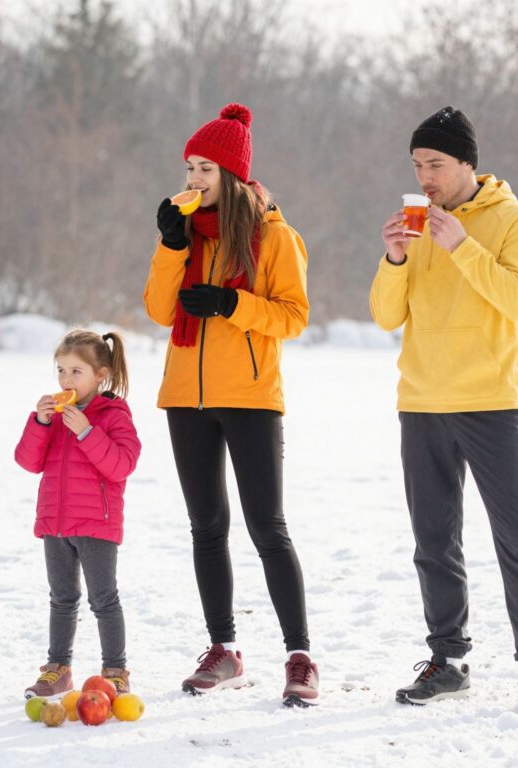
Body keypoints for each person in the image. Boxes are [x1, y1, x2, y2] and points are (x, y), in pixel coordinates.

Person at [370, 106, 518, 715]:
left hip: (491, 403)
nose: (425, 176)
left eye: (436, 164)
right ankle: (447, 660)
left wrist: (463, 246)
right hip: (421, 402)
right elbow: (386, 316)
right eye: (418, 164)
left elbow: (517, 299)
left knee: (517, 540)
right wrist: (394, 258)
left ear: (467, 163)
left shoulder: (516, 221)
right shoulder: (416, 224)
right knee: (433, 541)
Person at [144, 103, 319, 707]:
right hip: (184, 399)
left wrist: (231, 305)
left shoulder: (274, 236)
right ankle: (224, 650)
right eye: (189, 168)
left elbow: (294, 317)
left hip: (249, 396)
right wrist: (170, 245)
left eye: (205, 170)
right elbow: (159, 311)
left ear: (233, 176)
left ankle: (299, 656)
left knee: (267, 526)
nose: (193, 180)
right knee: (206, 527)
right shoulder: (187, 232)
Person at [14, 330, 141, 699]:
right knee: (61, 597)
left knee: (104, 598)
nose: (66, 380)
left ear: (100, 375)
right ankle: (58, 668)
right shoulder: (53, 415)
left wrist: (87, 432)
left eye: (76, 372)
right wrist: (38, 423)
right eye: (61, 371)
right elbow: (28, 461)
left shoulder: (113, 413)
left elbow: (122, 465)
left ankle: (115, 670)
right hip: (55, 522)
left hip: (96, 524)